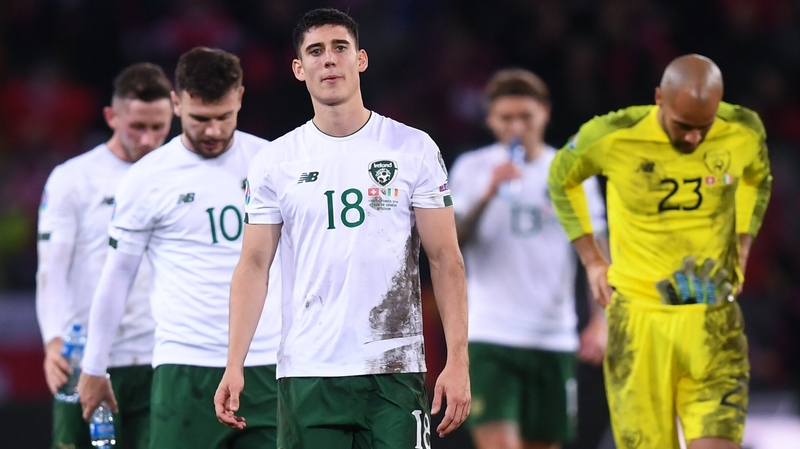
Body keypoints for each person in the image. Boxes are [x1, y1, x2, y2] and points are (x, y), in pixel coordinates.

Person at [214, 7, 470, 449]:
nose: (328, 59)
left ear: (361, 59)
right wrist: (234, 362)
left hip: (394, 369)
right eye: (315, 51)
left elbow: (446, 258)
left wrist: (458, 360)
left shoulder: (413, 148)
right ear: (299, 68)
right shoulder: (276, 161)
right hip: (309, 370)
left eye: (339, 48)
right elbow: (254, 264)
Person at [548, 54, 772, 449]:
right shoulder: (613, 133)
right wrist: (592, 259)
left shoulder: (743, 129)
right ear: (659, 99)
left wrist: (744, 240)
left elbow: (759, 179)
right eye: (683, 126)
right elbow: (560, 178)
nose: (693, 139)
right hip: (638, 322)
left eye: (704, 128)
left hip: (712, 320)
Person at [76, 47, 281, 449]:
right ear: (176, 103)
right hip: (185, 367)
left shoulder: (273, 162)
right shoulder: (147, 178)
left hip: (269, 365)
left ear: (240, 97)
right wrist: (94, 364)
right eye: (199, 119)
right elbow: (118, 275)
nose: (213, 131)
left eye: (224, 117)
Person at [450, 68, 608, 449]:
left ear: (545, 113)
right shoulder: (472, 169)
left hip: (553, 335)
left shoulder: (572, 174)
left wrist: (601, 321)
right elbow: (451, 242)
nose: (517, 126)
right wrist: (488, 194)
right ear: (490, 119)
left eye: (526, 116)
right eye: (506, 118)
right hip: (491, 335)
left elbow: (597, 253)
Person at [36, 62, 173, 449]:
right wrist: (53, 341)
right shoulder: (72, 178)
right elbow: (51, 270)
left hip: (159, 356)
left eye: (158, 127)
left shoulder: (180, 176)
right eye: (137, 127)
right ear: (111, 116)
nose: (148, 139)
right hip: (87, 357)